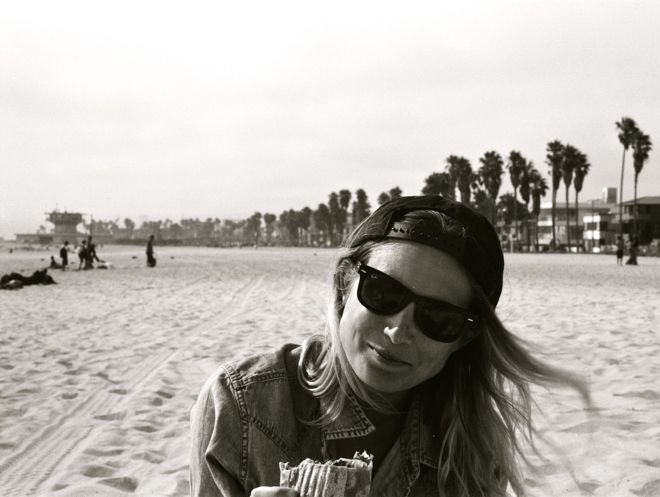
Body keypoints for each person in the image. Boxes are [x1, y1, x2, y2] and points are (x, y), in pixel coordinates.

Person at [190, 195, 589, 497]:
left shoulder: (471, 450)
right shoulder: (243, 406)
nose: (399, 331)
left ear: (463, 339)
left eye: (438, 319)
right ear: (345, 285)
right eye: (383, 293)